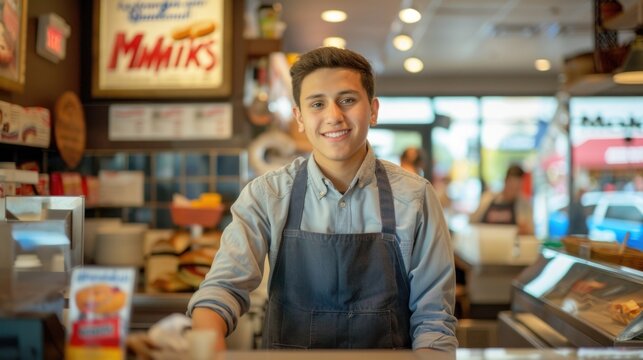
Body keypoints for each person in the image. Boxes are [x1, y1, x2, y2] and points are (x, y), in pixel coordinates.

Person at [188, 47, 457, 352]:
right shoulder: (266, 195)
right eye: (318, 103)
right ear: (299, 117)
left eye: (347, 100)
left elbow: (434, 319)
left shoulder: (416, 197)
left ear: (373, 110)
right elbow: (223, 289)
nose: (334, 116)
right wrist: (206, 345)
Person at [469, 164, 534, 234]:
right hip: (486, 242)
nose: (513, 191)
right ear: (505, 181)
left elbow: (530, 231)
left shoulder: (524, 205)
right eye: (511, 186)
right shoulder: (488, 198)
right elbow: (472, 221)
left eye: (517, 188)